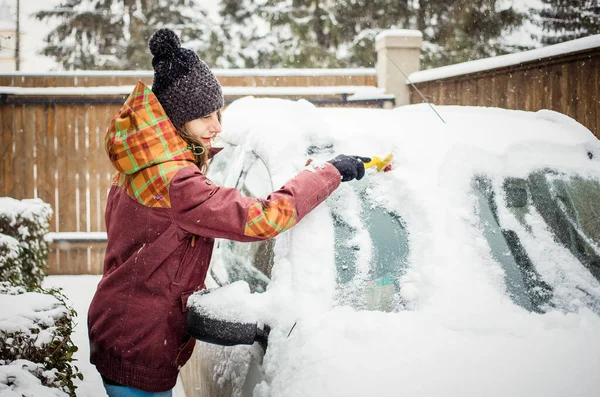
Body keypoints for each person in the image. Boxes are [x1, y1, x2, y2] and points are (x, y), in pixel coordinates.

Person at [87, 28, 370, 396]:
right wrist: (326, 172)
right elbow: (264, 218)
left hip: (121, 326)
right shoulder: (178, 184)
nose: (217, 126)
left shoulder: (142, 161)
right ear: (176, 117)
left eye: (218, 112)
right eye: (205, 116)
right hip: (139, 342)